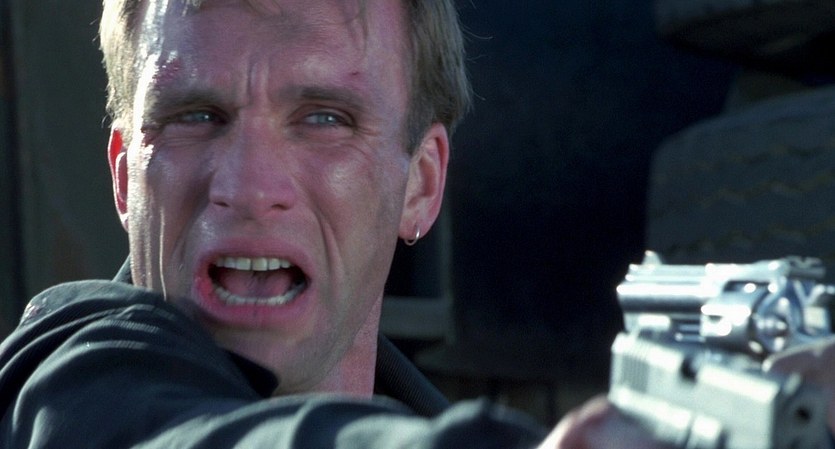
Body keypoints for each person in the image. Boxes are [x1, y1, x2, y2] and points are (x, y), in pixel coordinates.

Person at [0, 0, 814, 447]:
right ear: (124, 177)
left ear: (421, 184)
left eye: (323, 118)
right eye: (195, 116)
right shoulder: (71, 380)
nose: (247, 186)